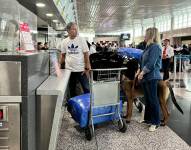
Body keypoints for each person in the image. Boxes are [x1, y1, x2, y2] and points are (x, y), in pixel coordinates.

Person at [137, 27, 162, 132]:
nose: (144, 36)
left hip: (152, 76)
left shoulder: (155, 47)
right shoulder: (148, 47)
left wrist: (142, 72)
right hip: (146, 77)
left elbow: (151, 63)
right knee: (147, 99)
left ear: (151, 35)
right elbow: (142, 61)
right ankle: (148, 119)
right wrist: (139, 70)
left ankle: (156, 122)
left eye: (146, 34)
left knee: (153, 99)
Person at [60, 22, 91, 97]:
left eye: (76, 29)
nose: (76, 31)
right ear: (68, 30)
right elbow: (63, 55)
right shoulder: (64, 41)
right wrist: (60, 66)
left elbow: (86, 53)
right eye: (73, 29)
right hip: (69, 70)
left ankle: (89, 104)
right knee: (71, 89)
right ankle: (72, 106)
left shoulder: (81, 39)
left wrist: (87, 66)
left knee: (86, 88)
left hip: (81, 69)